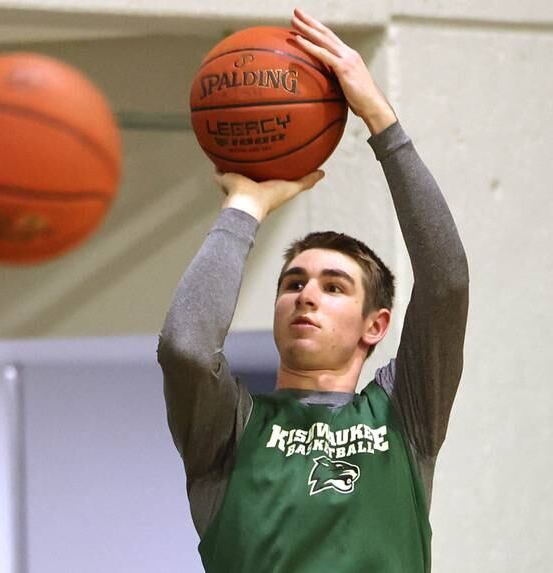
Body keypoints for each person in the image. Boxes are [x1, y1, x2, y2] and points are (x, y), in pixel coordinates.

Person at [157, 8, 469, 573]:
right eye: (293, 282)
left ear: (375, 325)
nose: (306, 295)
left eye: (334, 286)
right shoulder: (229, 430)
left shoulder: (403, 414)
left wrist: (380, 119)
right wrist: (244, 207)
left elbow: (446, 284)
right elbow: (186, 347)